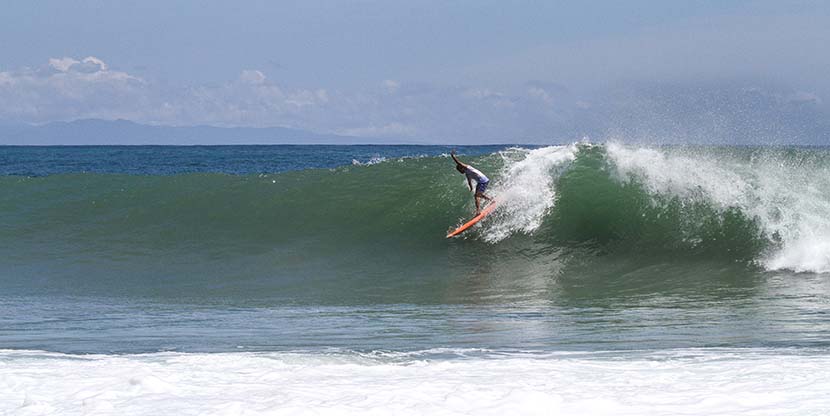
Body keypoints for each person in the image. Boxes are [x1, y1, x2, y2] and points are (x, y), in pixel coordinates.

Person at [451, 150, 493, 215]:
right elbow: (469, 181)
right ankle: (491, 200)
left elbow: (458, 163)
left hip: (483, 181)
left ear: (461, 168)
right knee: (479, 194)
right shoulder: (467, 173)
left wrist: (453, 156)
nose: (460, 172)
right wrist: (471, 187)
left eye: (459, 170)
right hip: (482, 181)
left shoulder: (468, 168)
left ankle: (478, 211)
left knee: (476, 196)